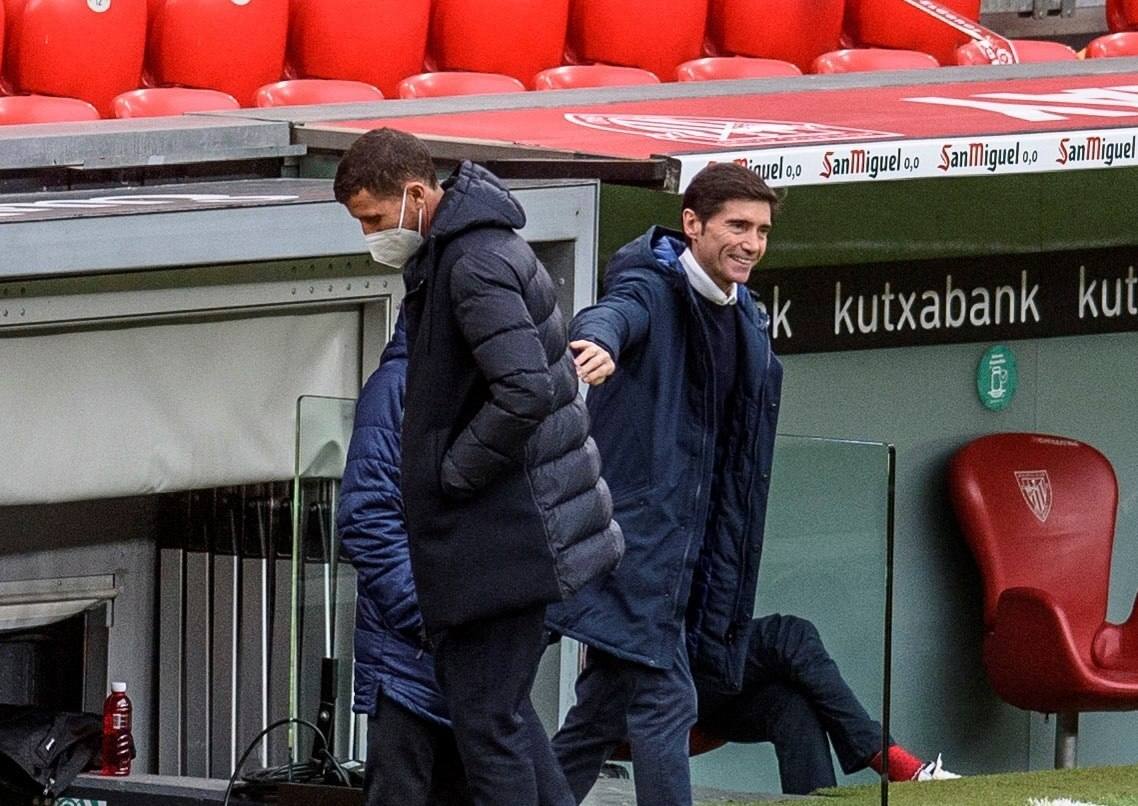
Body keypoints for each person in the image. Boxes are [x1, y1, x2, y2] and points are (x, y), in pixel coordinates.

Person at [333, 128, 624, 806]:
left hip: (503, 540)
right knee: (498, 719)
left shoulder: (472, 262)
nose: (371, 236)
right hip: (515, 539)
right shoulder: (473, 253)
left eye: (374, 218)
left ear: (415, 193)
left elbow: (528, 390)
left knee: (489, 727)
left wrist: (450, 475)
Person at [546, 162, 784, 806]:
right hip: (635, 547)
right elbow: (615, 313)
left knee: (598, 714)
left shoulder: (745, 314)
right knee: (668, 704)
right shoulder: (652, 286)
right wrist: (596, 342)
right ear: (692, 224)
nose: (751, 243)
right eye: (737, 225)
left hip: (692, 553)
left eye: (761, 230)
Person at [337, 316, 473, 806]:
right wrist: (429, 617)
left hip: (468, 660)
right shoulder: (397, 386)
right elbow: (366, 519)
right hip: (407, 661)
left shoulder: (484, 384)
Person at [694, 613, 959, 796]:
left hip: (698, 679)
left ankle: (883, 757)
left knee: (791, 706)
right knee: (790, 635)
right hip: (668, 670)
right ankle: (890, 759)